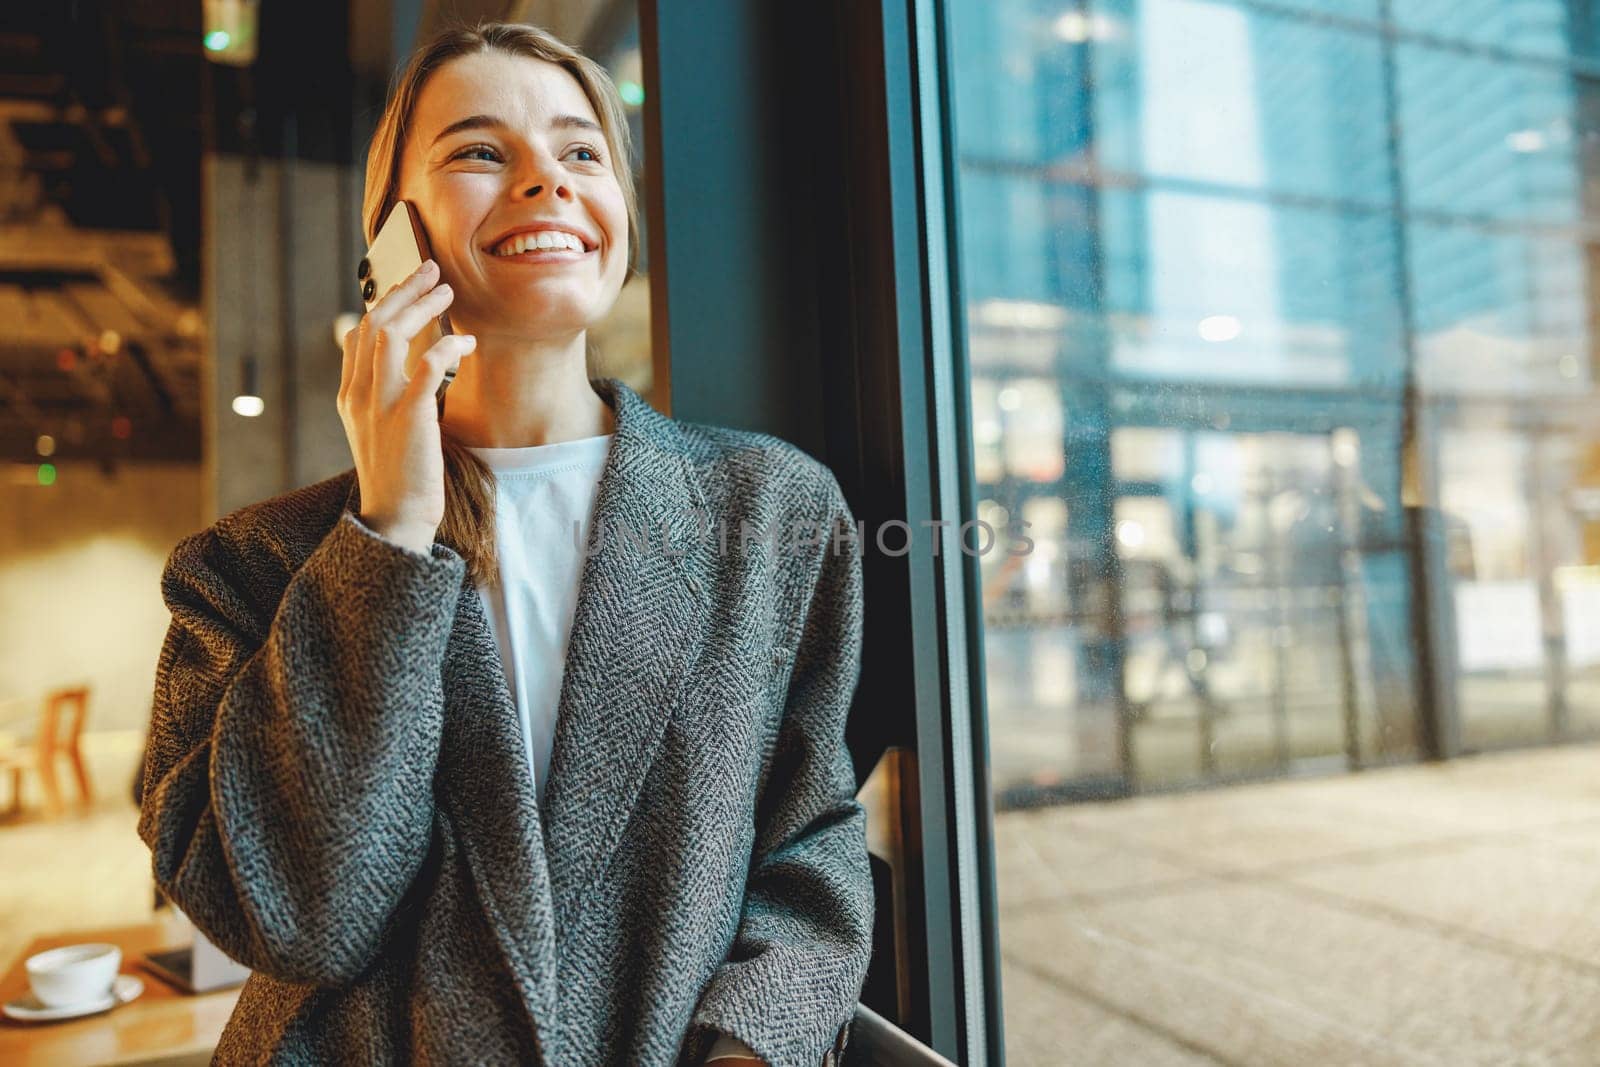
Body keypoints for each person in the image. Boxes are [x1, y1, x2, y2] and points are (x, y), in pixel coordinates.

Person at [137, 20, 872, 1067]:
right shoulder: (248, 566)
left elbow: (811, 833)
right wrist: (385, 533)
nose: (545, 180)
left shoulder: (772, 508)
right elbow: (302, 916)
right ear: (391, 240)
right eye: (480, 152)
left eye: (581, 151)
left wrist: (753, 1047)